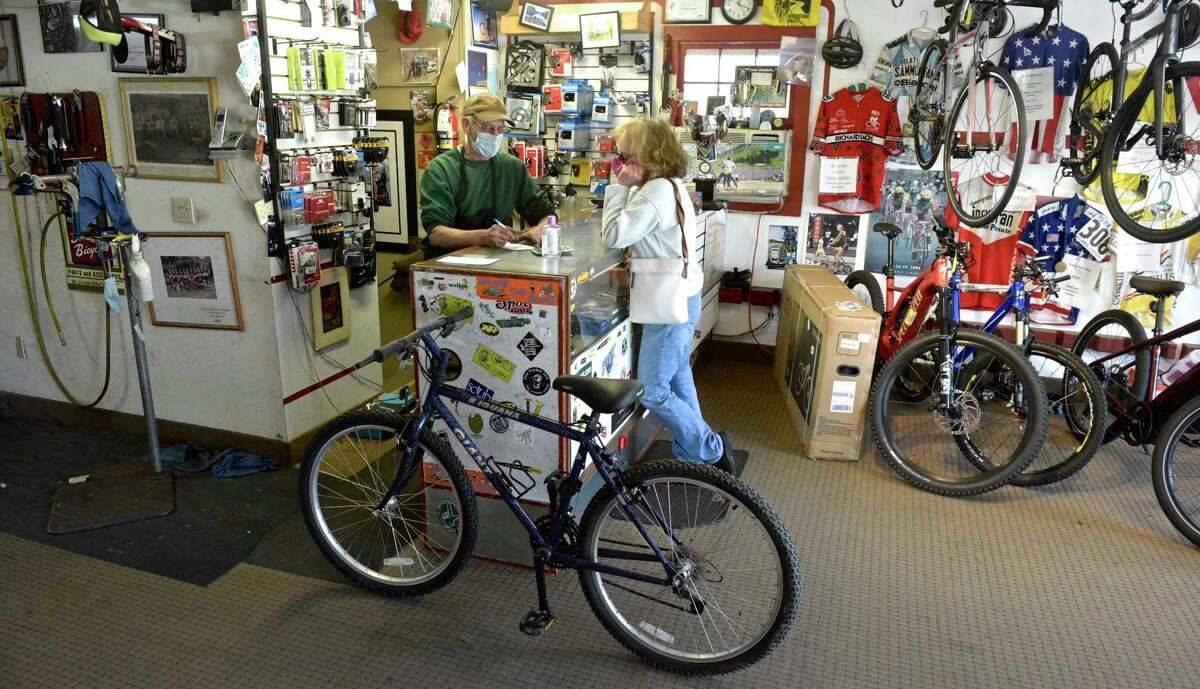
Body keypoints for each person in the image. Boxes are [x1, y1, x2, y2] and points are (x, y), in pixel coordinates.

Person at [600, 117, 735, 473]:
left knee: (652, 388)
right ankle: (698, 452)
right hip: (679, 296)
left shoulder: (654, 192)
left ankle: (710, 448)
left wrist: (617, 188)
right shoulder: (668, 185)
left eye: (625, 156)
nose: (620, 163)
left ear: (646, 156)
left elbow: (614, 234)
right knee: (677, 376)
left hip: (666, 304)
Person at [418, 94, 555, 259]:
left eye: (500, 129)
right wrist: (483, 237)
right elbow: (436, 235)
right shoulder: (441, 169)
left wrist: (541, 229)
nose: (495, 135)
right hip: (448, 265)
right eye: (488, 128)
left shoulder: (512, 167)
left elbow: (545, 213)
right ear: (466, 125)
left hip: (496, 261)